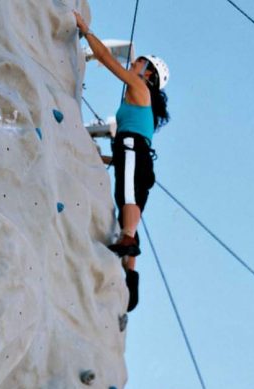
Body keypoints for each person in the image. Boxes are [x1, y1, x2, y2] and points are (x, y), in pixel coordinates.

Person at [74, 11, 170, 312]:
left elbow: (106, 59)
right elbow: (121, 159)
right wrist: (95, 155)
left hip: (132, 150)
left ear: (149, 74)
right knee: (133, 203)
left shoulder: (140, 88)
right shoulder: (143, 106)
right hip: (137, 156)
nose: (136, 63)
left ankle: (128, 241)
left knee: (127, 196)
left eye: (141, 62)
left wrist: (86, 31)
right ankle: (130, 274)